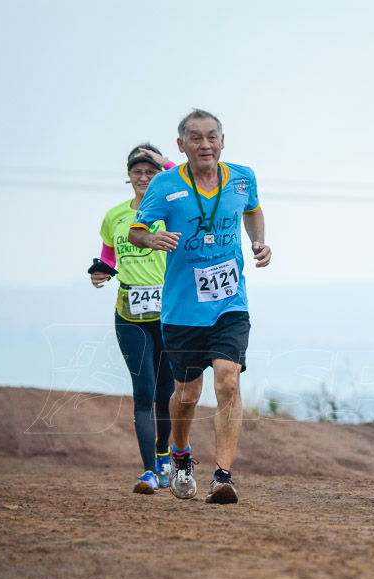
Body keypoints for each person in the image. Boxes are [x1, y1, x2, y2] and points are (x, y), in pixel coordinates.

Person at [129, 109, 271, 505]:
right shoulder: (164, 186)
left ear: (223, 141)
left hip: (230, 302)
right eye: (195, 138)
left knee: (228, 379)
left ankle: (222, 476)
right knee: (187, 395)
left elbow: (253, 210)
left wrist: (259, 241)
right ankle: (180, 454)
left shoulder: (243, 177)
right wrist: (151, 240)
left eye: (212, 137)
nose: (205, 145)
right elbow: (136, 230)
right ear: (181, 145)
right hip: (182, 309)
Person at [89, 144, 176, 494]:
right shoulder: (114, 216)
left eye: (150, 172)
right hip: (130, 314)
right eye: (137, 172)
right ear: (128, 176)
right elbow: (109, 255)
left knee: (166, 393)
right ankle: (149, 472)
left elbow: (180, 173)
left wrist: (160, 160)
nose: (143, 177)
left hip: (170, 313)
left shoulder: (172, 209)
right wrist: (101, 271)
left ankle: (164, 453)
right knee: (144, 391)